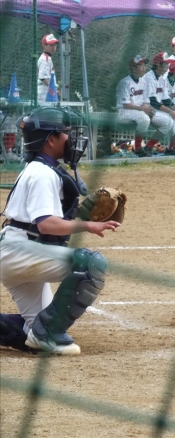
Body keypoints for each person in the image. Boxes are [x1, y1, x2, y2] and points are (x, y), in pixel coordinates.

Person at [0, 107, 119, 354]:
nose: (71, 138)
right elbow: (46, 224)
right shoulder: (43, 174)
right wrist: (88, 225)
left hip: (18, 252)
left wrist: (81, 215)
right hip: (20, 252)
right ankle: (48, 334)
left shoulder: (39, 168)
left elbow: (44, 223)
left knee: (35, 335)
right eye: (65, 133)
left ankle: (38, 333)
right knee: (91, 264)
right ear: (50, 140)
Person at [140, 52, 175, 156]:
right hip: (146, 108)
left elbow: (166, 99)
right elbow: (153, 101)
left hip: (155, 108)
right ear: (158, 64)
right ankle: (148, 147)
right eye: (165, 63)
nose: (167, 66)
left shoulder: (162, 78)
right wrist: (171, 111)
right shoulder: (149, 78)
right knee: (168, 122)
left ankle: (170, 148)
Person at [115, 55, 155, 152]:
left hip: (137, 111)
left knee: (155, 116)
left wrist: (147, 109)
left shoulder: (143, 82)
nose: (144, 68)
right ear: (133, 68)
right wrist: (143, 109)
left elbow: (145, 101)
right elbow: (125, 105)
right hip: (124, 111)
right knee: (144, 119)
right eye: (141, 65)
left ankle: (148, 146)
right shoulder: (125, 83)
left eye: (144, 65)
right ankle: (138, 148)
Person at [37, 34, 59, 104]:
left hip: (47, 91)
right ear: (44, 46)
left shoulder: (48, 58)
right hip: (44, 92)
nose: (53, 47)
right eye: (51, 45)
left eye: (55, 45)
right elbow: (43, 78)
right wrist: (53, 90)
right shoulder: (44, 59)